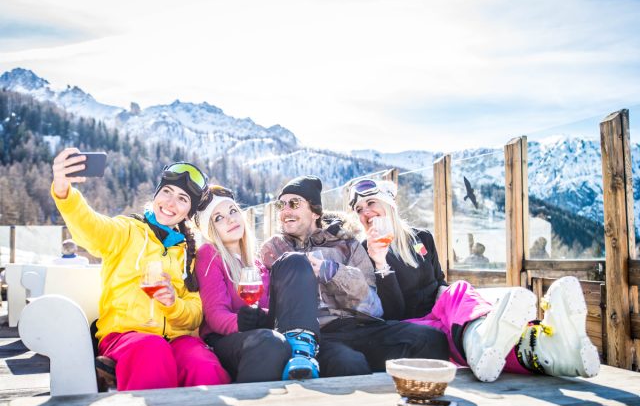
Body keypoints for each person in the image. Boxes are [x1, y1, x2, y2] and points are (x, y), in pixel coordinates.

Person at [349, 178, 600, 381]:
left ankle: (551, 350)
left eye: (371, 202)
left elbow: (439, 282)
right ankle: (534, 347)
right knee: (447, 330)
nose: (365, 212)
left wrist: (456, 311)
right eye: (359, 209)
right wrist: (379, 261)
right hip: (411, 324)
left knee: (457, 291)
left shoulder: (421, 238)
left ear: (389, 203)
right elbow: (392, 313)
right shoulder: (363, 252)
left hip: (443, 312)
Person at [51, 147, 231, 391]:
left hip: (179, 339)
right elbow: (90, 227)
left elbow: (196, 312)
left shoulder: (190, 253)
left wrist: (173, 305)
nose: (170, 202)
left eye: (182, 198)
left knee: (203, 365)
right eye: (166, 191)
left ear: (188, 211)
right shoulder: (127, 230)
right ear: (156, 194)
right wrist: (64, 193)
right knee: (153, 352)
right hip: (126, 337)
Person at [258, 175, 450, 379]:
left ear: (314, 211)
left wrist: (332, 272)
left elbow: (372, 305)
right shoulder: (274, 248)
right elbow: (269, 299)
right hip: (320, 335)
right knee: (349, 364)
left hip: (362, 326)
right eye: (281, 205)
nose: (285, 210)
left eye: (294, 203)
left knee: (431, 339)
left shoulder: (348, 244)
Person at [194, 184, 292, 382]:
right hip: (223, 340)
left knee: (282, 342)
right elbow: (215, 315)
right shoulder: (209, 255)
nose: (230, 219)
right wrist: (239, 323)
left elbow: (270, 308)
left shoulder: (256, 261)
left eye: (233, 211)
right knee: (269, 343)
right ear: (211, 230)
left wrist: (265, 317)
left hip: (259, 335)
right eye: (219, 218)